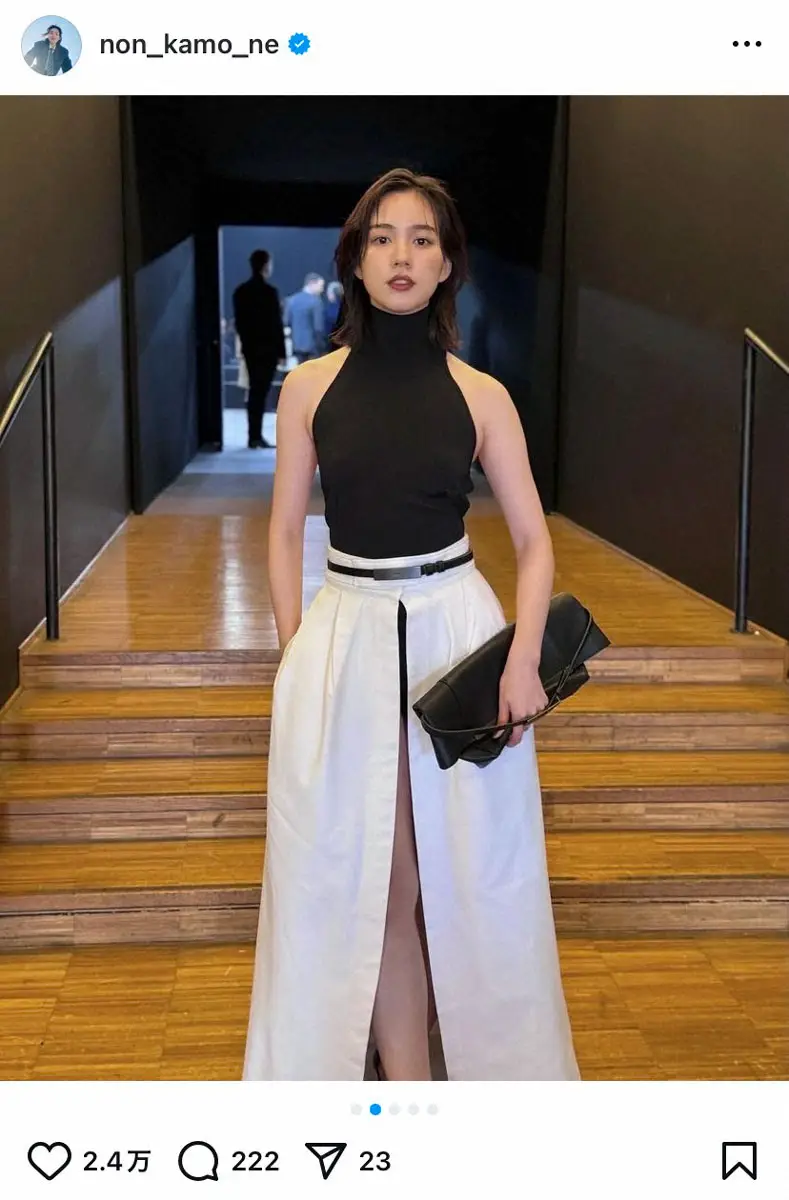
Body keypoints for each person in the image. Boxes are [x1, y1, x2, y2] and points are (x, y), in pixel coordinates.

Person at [243, 167, 579, 1083]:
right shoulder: (309, 387)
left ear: (445, 265)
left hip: (455, 632)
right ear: (355, 260)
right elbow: (282, 531)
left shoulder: (482, 395)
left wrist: (522, 662)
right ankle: (410, 1090)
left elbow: (533, 543)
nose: (402, 254)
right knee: (385, 882)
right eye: (383, 237)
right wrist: (294, 651)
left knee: (468, 877)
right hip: (347, 634)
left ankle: (481, 1070)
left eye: (422, 238)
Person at [232, 250, 286, 448]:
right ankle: (256, 436)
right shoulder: (269, 292)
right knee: (261, 392)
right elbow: (275, 324)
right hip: (268, 349)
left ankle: (253, 435)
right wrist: (281, 352)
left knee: (255, 390)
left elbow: (240, 323)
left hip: (250, 348)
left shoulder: (240, 292)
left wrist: (246, 344)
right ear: (266, 266)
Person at [284, 273, 326, 363]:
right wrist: (322, 346)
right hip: (313, 349)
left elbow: (286, 322)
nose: (322, 289)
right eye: (321, 286)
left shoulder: (291, 300)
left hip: (295, 347)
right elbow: (318, 327)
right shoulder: (316, 302)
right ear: (312, 283)